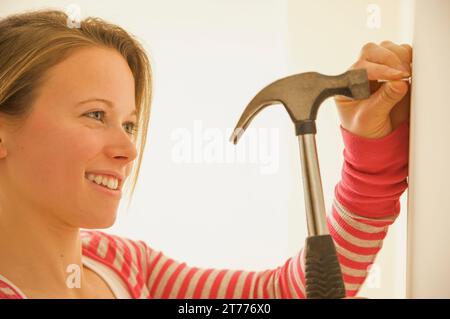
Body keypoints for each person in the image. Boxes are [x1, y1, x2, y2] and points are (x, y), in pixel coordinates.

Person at [0, 10, 411, 299]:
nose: (128, 149)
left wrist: (370, 159)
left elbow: (284, 294)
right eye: (95, 114)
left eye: (128, 124)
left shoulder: (122, 265)